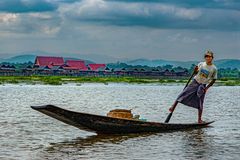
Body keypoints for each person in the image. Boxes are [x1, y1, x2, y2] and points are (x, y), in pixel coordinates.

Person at [168, 50, 218, 123]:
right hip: (195, 82)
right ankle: (172, 107)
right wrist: (195, 71)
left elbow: (214, 80)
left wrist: (207, 88)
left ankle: (199, 119)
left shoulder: (214, 68)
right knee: (183, 94)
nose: (208, 58)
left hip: (202, 86)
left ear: (212, 58)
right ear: (205, 57)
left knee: (200, 102)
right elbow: (195, 73)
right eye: (206, 56)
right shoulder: (201, 64)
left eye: (209, 56)